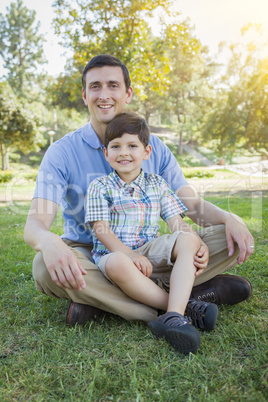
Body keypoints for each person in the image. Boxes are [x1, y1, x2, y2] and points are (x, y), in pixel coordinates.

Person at [24, 54, 254, 328]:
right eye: (95, 86)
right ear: (85, 95)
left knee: (226, 240)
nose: (104, 94)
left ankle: (103, 303)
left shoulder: (152, 146)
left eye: (113, 85)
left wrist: (230, 218)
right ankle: (181, 303)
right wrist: (49, 242)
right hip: (92, 256)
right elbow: (36, 224)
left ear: (127, 93)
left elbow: (189, 204)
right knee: (43, 266)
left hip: (147, 252)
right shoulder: (61, 152)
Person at [85, 112, 219, 354]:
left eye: (132, 145)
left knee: (188, 238)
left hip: (149, 251)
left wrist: (198, 243)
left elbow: (176, 222)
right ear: (106, 153)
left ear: (146, 152)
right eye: (115, 146)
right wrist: (129, 255)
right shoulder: (100, 186)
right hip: (113, 253)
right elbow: (101, 229)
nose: (123, 152)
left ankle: (173, 316)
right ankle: (182, 309)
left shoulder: (156, 184)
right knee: (117, 263)